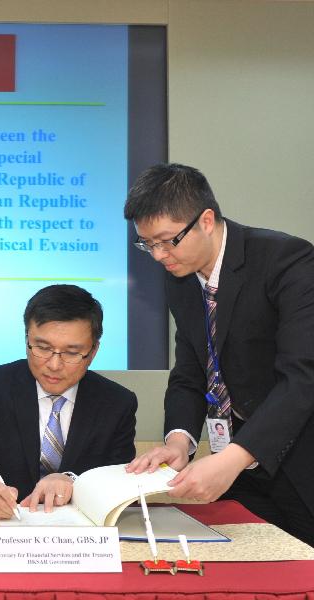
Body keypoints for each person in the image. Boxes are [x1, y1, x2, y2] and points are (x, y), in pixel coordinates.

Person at [124, 163, 314, 546]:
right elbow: (191, 369)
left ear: (206, 220)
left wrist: (231, 459)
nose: (159, 256)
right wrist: (179, 440)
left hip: (299, 459)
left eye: (166, 241)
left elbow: (302, 377)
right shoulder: (180, 274)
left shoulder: (288, 262)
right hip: (242, 466)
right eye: (148, 244)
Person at [0, 285, 137, 519]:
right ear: (27, 341)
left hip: (79, 538)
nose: (54, 365)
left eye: (71, 353)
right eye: (42, 348)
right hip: (4, 526)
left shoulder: (116, 403)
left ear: (93, 351)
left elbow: (117, 479)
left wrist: (72, 481)